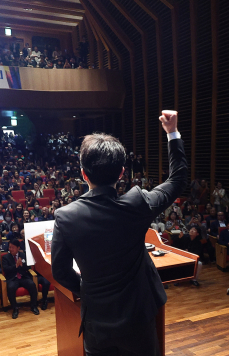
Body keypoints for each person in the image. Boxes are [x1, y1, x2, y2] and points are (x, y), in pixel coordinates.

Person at [51, 111, 187, 356]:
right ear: (122, 172)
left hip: (97, 323)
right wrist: (172, 133)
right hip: (138, 317)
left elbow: (60, 271)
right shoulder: (138, 204)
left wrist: (87, 289)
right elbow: (177, 180)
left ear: (83, 174)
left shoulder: (65, 217)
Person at [2, 239, 39, 319]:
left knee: (32, 284)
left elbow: (28, 267)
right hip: (13, 278)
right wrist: (16, 266)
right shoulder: (5, 257)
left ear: (18, 248)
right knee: (10, 288)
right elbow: (6, 269)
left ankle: (34, 306)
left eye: (13, 247)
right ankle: (15, 308)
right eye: (10, 247)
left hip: (23, 277)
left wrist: (22, 265)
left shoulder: (23, 255)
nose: (10, 249)